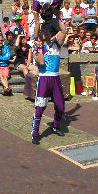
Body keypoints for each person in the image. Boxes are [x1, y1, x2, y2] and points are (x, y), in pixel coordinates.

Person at [31, 11, 66, 145]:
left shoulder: (56, 44)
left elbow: (63, 30)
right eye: (43, 32)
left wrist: (57, 15)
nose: (45, 32)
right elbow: (41, 63)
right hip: (45, 79)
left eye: (48, 31)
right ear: (40, 35)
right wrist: (39, 49)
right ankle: (35, 133)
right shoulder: (38, 47)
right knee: (40, 107)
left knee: (60, 105)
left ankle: (56, 125)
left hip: (55, 78)